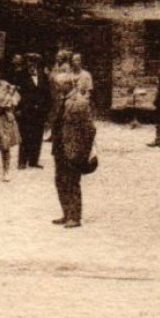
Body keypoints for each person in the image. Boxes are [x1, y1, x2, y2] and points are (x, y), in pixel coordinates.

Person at [52, 86, 96, 227]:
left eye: (59, 85)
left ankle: (75, 217)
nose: (57, 88)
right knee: (60, 181)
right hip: (59, 148)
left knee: (72, 181)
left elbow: (90, 129)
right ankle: (66, 213)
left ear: (67, 85)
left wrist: (83, 150)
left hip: (73, 149)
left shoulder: (80, 102)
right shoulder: (60, 100)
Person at [16, 54, 51, 169]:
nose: (31, 67)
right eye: (29, 64)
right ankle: (22, 161)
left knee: (38, 135)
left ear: (37, 65)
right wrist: (19, 109)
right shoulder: (21, 76)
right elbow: (17, 95)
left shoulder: (43, 76)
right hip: (27, 111)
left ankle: (34, 160)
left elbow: (47, 94)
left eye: (34, 64)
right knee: (25, 135)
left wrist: (46, 110)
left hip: (40, 111)